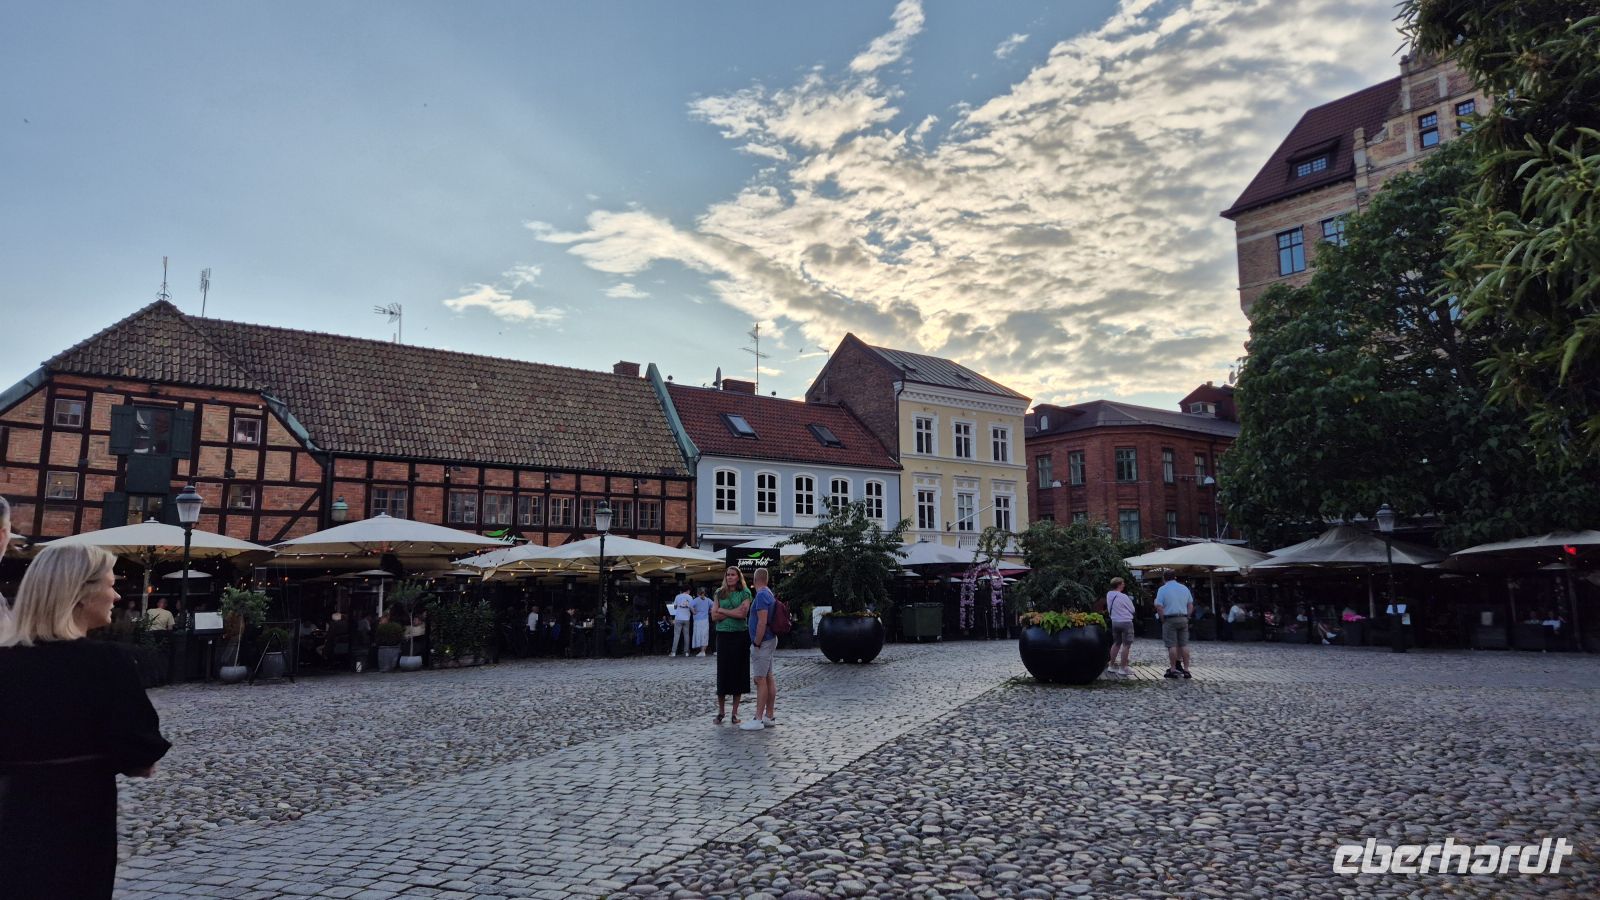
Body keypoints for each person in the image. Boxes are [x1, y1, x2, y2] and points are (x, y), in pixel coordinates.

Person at [0, 542, 171, 898]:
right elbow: (141, 757)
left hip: (10, 816)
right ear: (81, 594)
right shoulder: (107, 664)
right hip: (78, 821)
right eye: (110, 583)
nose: (117, 595)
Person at [710, 567, 751, 724]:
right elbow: (714, 616)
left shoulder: (745, 593)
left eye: (733, 575)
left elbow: (742, 614)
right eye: (727, 574)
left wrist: (723, 610)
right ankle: (721, 712)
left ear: (738, 577)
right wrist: (731, 611)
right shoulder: (719, 593)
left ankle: (734, 713)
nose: (730, 577)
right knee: (723, 673)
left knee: (738, 673)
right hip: (723, 636)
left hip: (740, 636)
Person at [742, 567, 779, 730]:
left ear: (755, 580)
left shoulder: (762, 595)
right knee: (768, 677)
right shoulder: (768, 592)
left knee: (760, 679)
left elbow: (762, 622)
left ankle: (758, 719)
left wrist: (756, 642)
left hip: (763, 642)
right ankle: (769, 716)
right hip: (769, 641)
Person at [1154, 570, 1195, 679]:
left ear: (1164, 578)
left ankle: (1173, 669)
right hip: (1183, 618)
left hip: (1170, 619)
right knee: (1184, 645)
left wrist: (1162, 619)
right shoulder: (1184, 588)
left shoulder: (1162, 589)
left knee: (1172, 645)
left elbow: (1159, 606)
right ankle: (1186, 669)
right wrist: (1188, 616)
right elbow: (1190, 605)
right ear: (1175, 577)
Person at [1105, 577, 1135, 677]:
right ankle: (1123, 668)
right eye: (1122, 583)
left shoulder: (1109, 595)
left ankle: (1111, 665)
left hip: (1115, 622)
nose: (1124, 585)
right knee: (1126, 645)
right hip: (1126, 622)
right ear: (1118, 585)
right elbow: (1132, 609)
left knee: (1116, 643)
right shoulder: (1123, 596)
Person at [689, 587, 713, 657]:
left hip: (697, 620)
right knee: (705, 635)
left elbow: (690, 606)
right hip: (705, 619)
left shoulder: (696, 600)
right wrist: (709, 611)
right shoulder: (708, 600)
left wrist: (693, 612)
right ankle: (703, 651)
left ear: (697, 593)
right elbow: (714, 606)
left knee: (698, 634)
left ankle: (701, 651)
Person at [670, 587, 693, 656]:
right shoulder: (690, 597)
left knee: (676, 635)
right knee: (686, 635)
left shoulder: (677, 596)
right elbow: (692, 606)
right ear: (688, 590)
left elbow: (674, 606)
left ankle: (673, 652)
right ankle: (686, 652)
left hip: (678, 617)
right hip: (686, 618)